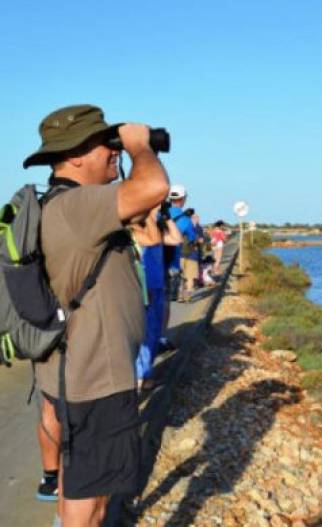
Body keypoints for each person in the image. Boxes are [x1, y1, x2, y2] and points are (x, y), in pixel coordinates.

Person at [23, 104, 169, 527]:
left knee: (78, 480)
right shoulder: (78, 206)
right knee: (92, 502)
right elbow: (154, 186)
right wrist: (140, 146)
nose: (114, 150)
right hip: (96, 378)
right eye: (105, 144)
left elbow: (144, 220)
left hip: (74, 370)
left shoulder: (60, 204)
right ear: (74, 156)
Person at [130, 205, 181, 391]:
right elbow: (152, 240)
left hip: (157, 285)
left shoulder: (156, 230)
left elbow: (176, 239)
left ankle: (146, 375)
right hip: (143, 288)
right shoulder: (135, 231)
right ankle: (138, 378)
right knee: (142, 334)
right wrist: (151, 213)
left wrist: (167, 216)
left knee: (154, 333)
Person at [166, 185, 197, 302]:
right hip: (174, 260)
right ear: (183, 199)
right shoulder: (186, 220)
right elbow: (192, 238)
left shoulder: (159, 214)